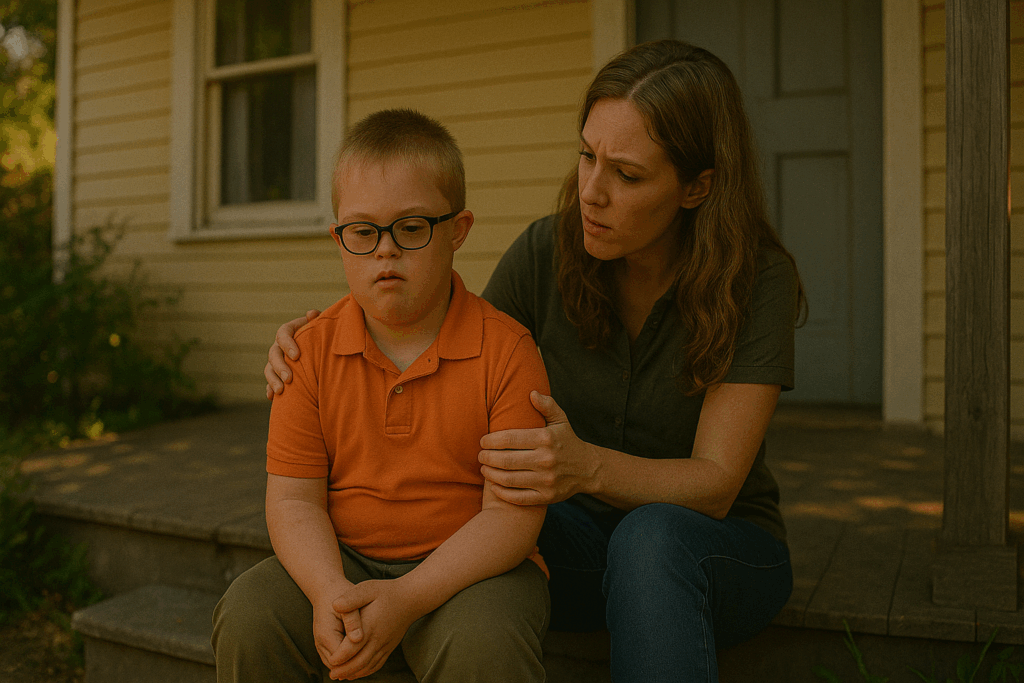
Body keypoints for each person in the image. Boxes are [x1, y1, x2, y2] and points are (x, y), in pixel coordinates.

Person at [266, 40, 805, 683]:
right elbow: (460, 367)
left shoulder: (758, 280)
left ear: (697, 187)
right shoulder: (546, 251)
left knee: (650, 540)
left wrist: (587, 468)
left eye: (626, 175)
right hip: (569, 542)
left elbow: (717, 485)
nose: (591, 193)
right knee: (462, 529)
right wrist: (323, 337)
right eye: (586, 156)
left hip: (712, 553)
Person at [214, 109, 552, 683]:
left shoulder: (508, 350)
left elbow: (511, 519)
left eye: (412, 227)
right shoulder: (307, 353)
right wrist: (328, 594)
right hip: (342, 560)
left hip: (470, 570)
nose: (385, 251)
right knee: (250, 614)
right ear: (339, 238)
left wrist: (408, 598)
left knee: (483, 644)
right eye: (363, 231)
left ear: (458, 230)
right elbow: (294, 502)